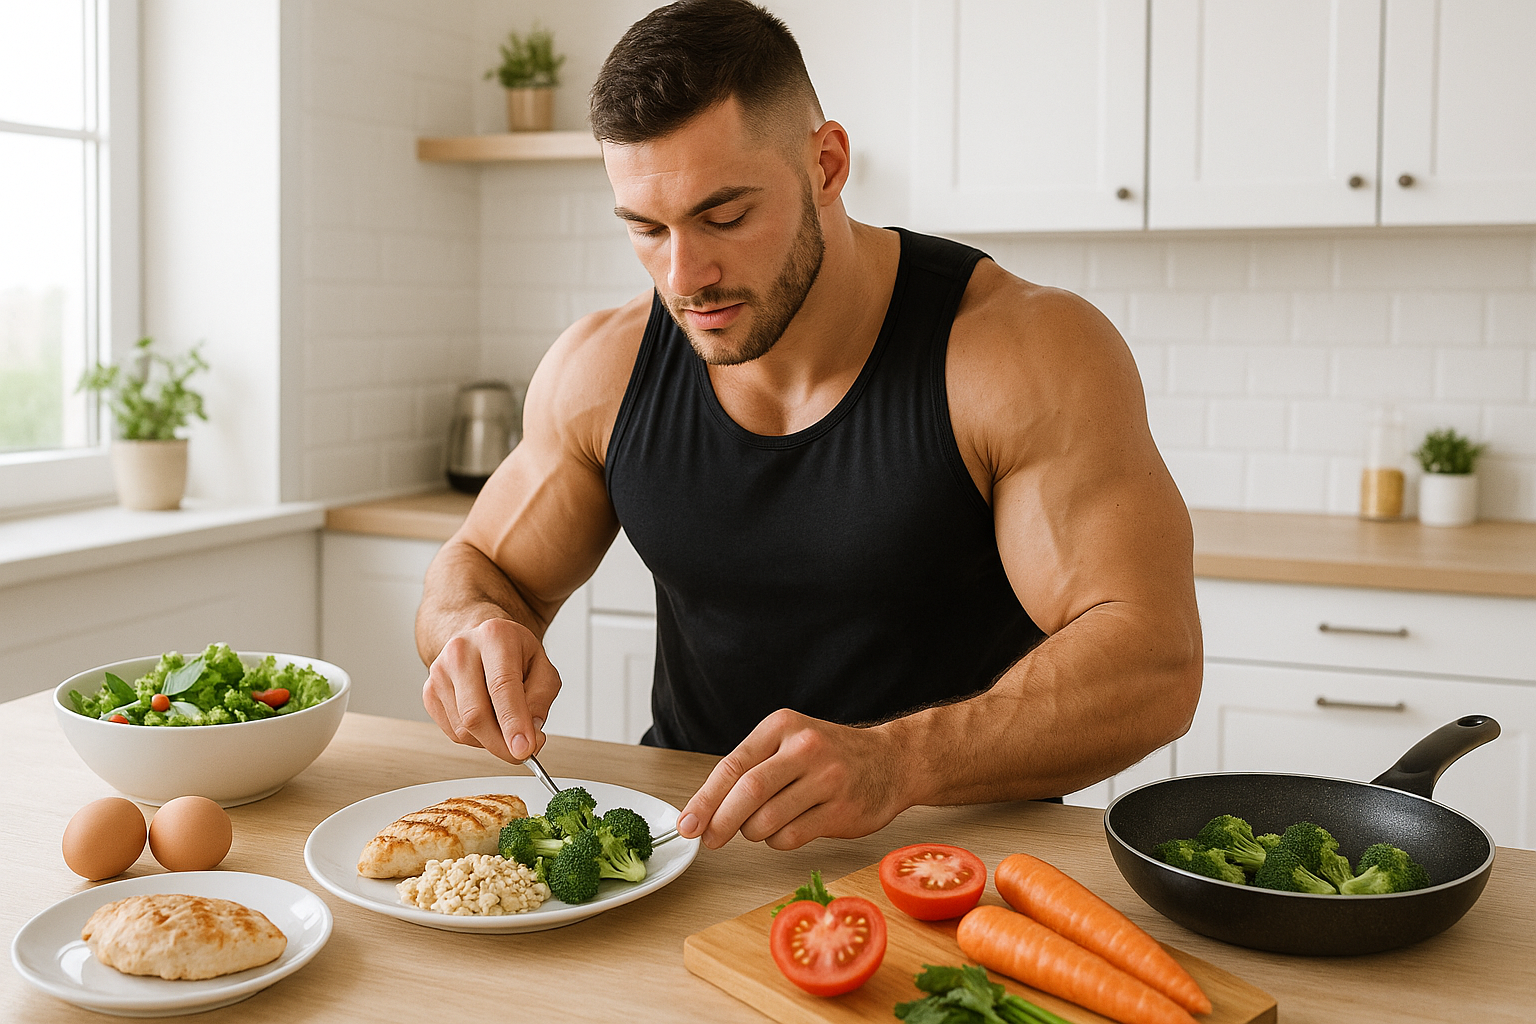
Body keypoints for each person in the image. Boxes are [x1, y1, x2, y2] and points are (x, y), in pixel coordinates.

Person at [416, 0, 1202, 852]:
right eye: (647, 228)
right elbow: (484, 568)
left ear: (826, 163)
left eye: (724, 216)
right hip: (689, 854)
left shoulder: (1019, 351)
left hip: (963, 868)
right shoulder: (601, 370)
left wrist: (897, 761)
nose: (687, 277)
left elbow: (1152, 660)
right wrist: (472, 632)